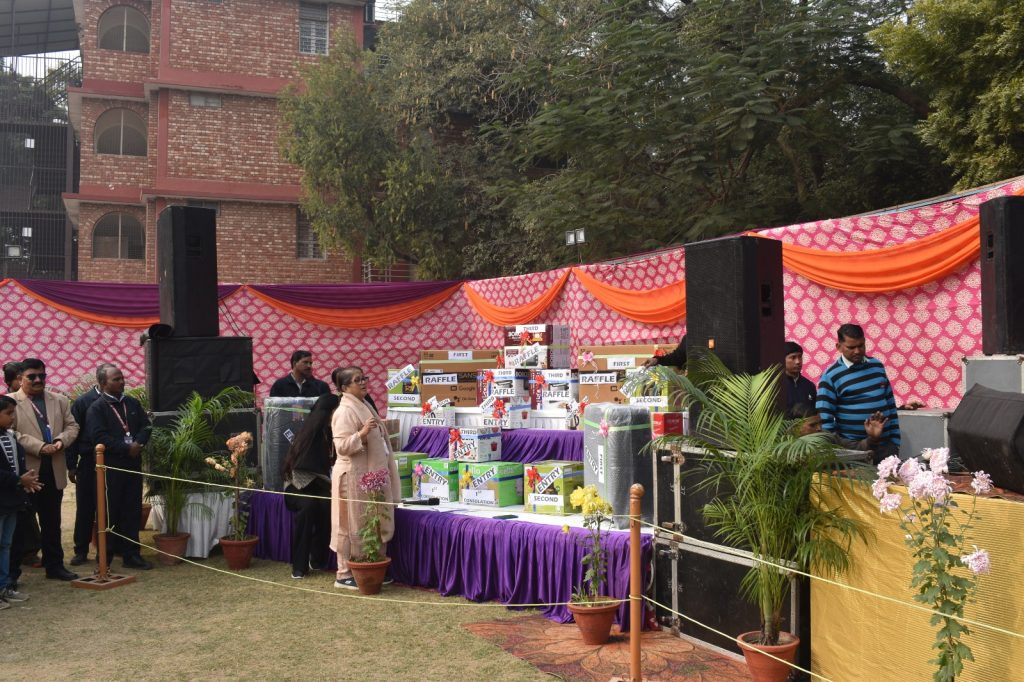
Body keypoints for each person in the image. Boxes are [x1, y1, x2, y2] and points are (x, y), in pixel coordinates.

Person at [329, 367, 400, 589]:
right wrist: (362, 434)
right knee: (347, 524)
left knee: (370, 519)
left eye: (364, 378)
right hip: (351, 475)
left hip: (367, 475)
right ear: (344, 387)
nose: (363, 382)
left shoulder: (364, 405)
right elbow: (341, 447)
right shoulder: (344, 411)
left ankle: (370, 564)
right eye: (357, 380)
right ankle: (344, 574)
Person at [11, 358, 80, 581]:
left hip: (53, 471)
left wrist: (60, 442)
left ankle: (55, 567)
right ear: (20, 378)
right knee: (20, 526)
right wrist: (40, 447)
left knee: (52, 523)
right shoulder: (9, 402)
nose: (38, 380)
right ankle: (12, 574)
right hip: (25, 474)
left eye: (42, 375)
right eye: (32, 376)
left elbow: (73, 426)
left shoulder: (59, 400)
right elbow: (11, 433)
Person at [87, 366, 153, 570]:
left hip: (132, 465)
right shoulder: (97, 408)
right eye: (116, 379)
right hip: (111, 467)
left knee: (132, 510)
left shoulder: (131, 402)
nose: (122, 382)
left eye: (122, 378)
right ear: (102, 383)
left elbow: (146, 426)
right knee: (110, 511)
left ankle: (131, 555)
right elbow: (99, 436)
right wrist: (126, 448)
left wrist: (138, 443)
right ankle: (105, 558)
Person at [816, 324, 900, 463]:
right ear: (838, 347)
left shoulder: (877, 366)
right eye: (851, 347)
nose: (857, 351)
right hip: (855, 451)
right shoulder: (830, 376)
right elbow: (825, 419)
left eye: (861, 345)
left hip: (886, 447)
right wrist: (837, 451)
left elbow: (890, 404)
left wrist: (895, 441)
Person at [282, 393, 339, 579]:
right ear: (329, 412)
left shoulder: (331, 432)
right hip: (297, 487)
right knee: (309, 506)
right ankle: (299, 565)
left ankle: (318, 558)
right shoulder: (308, 435)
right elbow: (298, 474)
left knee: (327, 503)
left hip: (320, 486)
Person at [68, 363, 116, 566]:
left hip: (112, 461)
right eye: (115, 378)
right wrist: (71, 465)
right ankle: (80, 550)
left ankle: (105, 553)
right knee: (85, 508)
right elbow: (73, 433)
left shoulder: (120, 401)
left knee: (108, 507)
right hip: (89, 460)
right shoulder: (83, 402)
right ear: (100, 381)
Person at [1, 395, 42, 609]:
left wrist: (26, 480)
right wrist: (18, 480)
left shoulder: (10, 437)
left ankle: (5, 586)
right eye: (8, 414)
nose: (12, 418)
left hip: (13, 501)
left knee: (6, 545)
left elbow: (15, 466)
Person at [789, 402, 887, 454]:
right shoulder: (786, 448)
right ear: (796, 427)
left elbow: (857, 448)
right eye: (812, 425)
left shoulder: (827, 436)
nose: (819, 428)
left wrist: (872, 438)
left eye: (820, 423)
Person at [782, 341, 816, 412]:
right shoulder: (776, 386)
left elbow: (816, 412)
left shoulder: (810, 386)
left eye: (800, 357)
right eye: (793, 357)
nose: (798, 361)